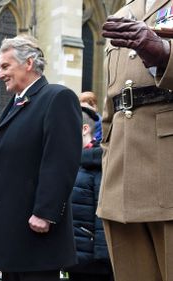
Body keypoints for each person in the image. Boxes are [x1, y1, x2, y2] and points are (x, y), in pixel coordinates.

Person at [0, 35, 82, 281]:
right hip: (13, 235)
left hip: (36, 231)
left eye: (5, 66)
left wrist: (45, 212)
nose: (0, 75)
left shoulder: (56, 98)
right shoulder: (15, 104)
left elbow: (61, 160)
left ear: (28, 63)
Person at [96, 2, 173, 281]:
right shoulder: (121, 13)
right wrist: (108, 151)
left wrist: (165, 53)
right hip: (121, 177)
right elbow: (112, 103)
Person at [66, 106, 113, 281]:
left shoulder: (98, 163)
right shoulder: (72, 161)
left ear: (85, 129)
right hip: (74, 255)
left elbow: (102, 215)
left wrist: (102, 258)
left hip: (94, 263)